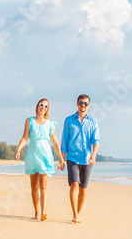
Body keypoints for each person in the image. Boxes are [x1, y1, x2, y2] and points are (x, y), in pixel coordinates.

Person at [14, 98, 64, 221]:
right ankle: (36, 213)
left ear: (48, 109)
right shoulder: (29, 121)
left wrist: (61, 159)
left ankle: (43, 213)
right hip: (32, 154)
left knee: (43, 185)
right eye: (41, 105)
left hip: (45, 155)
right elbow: (25, 137)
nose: (43, 108)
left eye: (46, 106)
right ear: (37, 106)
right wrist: (18, 149)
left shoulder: (50, 124)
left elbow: (55, 142)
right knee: (34, 185)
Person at [61, 94, 100, 223]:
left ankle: (79, 212)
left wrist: (94, 154)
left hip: (87, 159)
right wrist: (61, 159)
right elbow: (64, 141)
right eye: (81, 103)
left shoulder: (93, 122)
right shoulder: (68, 120)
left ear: (89, 105)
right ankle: (75, 214)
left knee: (83, 188)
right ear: (76, 104)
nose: (83, 105)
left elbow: (96, 140)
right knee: (74, 184)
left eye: (86, 103)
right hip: (72, 157)